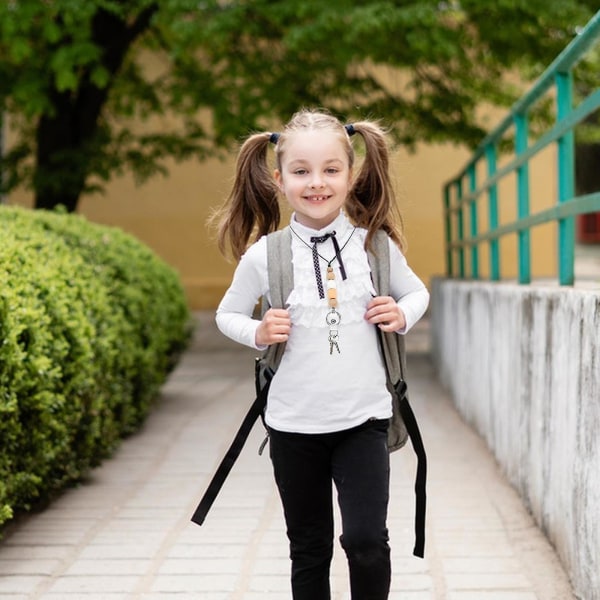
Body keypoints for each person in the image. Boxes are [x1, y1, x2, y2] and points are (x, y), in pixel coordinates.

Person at [211, 108, 429, 600]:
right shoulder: (265, 255)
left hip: (364, 421)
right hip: (293, 427)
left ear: (351, 176)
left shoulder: (375, 246)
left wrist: (401, 312)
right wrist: (259, 331)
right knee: (309, 549)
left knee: (366, 540)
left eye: (331, 169)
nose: (317, 183)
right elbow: (228, 315)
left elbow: (417, 294)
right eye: (301, 171)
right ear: (278, 179)